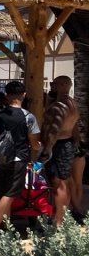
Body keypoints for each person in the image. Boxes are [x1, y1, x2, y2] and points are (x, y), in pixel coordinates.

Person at [0, 80, 41, 233]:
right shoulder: (28, 117)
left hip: (1, 159)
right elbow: (34, 143)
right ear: (23, 95)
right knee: (10, 194)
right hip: (18, 159)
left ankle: (6, 227)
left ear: (7, 96)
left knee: (3, 192)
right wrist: (38, 147)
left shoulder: (0, 114)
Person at [40, 75, 81, 225]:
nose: (51, 86)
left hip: (59, 145)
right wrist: (76, 144)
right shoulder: (73, 104)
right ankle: (60, 218)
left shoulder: (58, 107)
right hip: (68, 144)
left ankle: (58, 221)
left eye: (54, 84)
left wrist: (45, 151)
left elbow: (53, 132)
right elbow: (75, 128)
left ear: (62, 85)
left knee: (58, 184)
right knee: (63, 182)